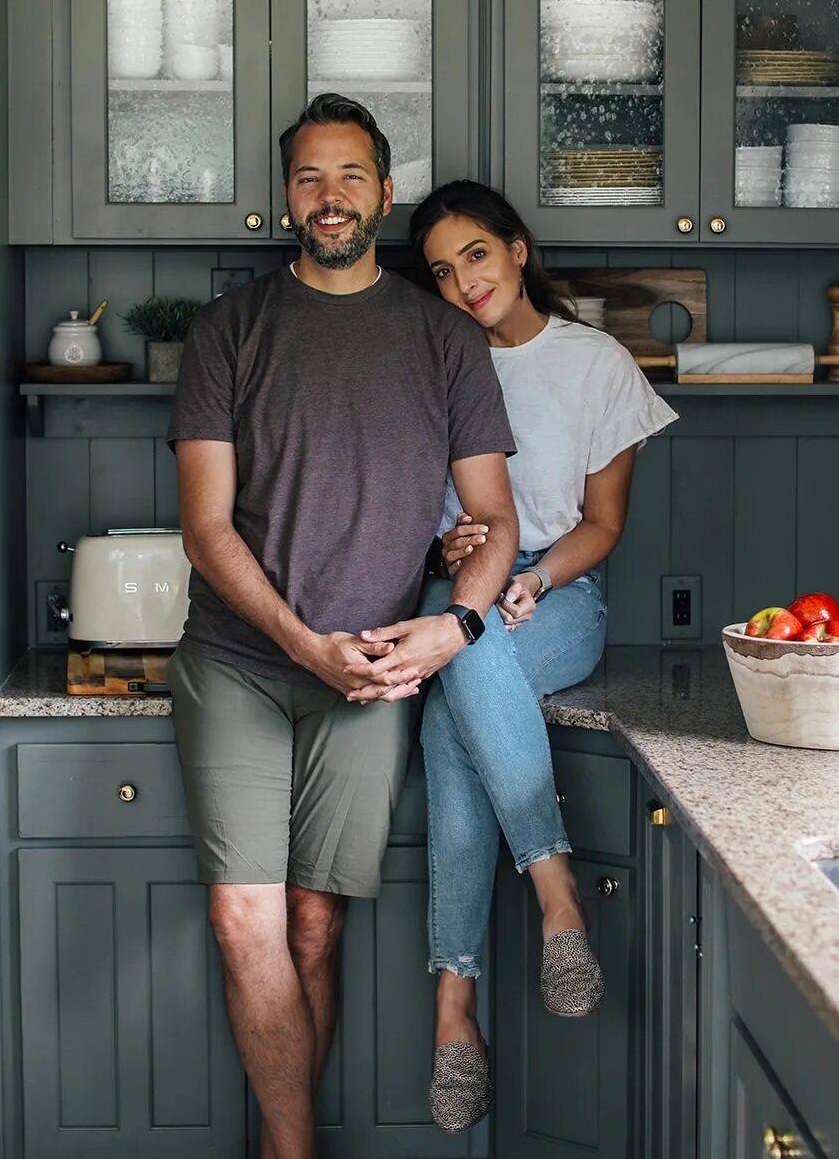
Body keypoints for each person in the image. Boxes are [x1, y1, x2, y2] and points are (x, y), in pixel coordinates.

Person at [165, 97, 523, 1159]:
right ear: (287, 195)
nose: (330, 197)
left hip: (374, 671)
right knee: (246, 923)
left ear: (382, 190)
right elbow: (204, 525)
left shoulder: (444, 338)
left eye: (350, 175)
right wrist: (299, 641)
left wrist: (450, 628)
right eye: (310, 177)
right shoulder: (228, 330)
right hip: (237, 663)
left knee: (317, 923)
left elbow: (493, 518)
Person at [368, 179, 678, 1132]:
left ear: (517, 247)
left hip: (559, 592)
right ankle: (556, 895)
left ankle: (454, 1007)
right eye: (441, 270)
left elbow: (604, 522)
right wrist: (447, 552)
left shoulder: (595, 364)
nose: (463, 282)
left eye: (475, 256)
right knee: (461, 684)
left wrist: (534, 580)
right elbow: (417, 516)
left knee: (459, 676)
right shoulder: (432, 359)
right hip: (454, 594)